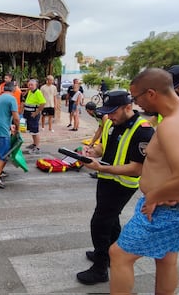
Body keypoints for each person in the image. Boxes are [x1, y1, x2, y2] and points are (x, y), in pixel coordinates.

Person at [109, 68, 179, 294]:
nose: (136, 104)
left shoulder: (172, 125)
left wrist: (154, 196)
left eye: (136, 98)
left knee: (119, 255)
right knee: (167, 257)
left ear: (151, 93)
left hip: (167, 210)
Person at [76, 90, 155, 285]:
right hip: (106, 178)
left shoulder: (143, 131)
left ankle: (100, 268)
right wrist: (93, 151)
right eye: (107, 112)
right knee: (110, 218)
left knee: (100, 222)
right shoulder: (111, 122)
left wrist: (102, 167)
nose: (109, 116)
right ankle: (111, 254)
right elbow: (105, 146)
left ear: (128, 107)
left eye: (113, 112)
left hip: (123, 184)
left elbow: (137, 168)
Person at [0, 82, 20, 189]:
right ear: (13, 89)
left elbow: (1, 114)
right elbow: (16, 118)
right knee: (5, 154)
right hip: (1, 130)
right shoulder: (12, 99)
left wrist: (9, 125)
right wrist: (17, 129)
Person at [84, 101, 109, 179]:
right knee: (100, 151)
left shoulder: (98, 113)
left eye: (87, 112)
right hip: (107, 134)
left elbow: (106, 119)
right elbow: (100, 129)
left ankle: (102, 171)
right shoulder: (97, 113)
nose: (88, 113)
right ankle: (101, 171)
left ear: (89, 110)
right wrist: (92, 142)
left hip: (110, 134)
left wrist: (105, 137)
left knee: (105, 153)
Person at [22, 79, 46, 154]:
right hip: (27, 113)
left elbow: (43, 103)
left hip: (33, 113)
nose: (30, 86)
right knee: (31, 130)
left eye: (32, 85)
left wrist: (36, 112)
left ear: (36, 85)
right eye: (29, 85)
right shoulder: (30, 91)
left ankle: (37, 147)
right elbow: (24, 98)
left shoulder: (37, 92)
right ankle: (34, 144)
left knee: (35, 130)